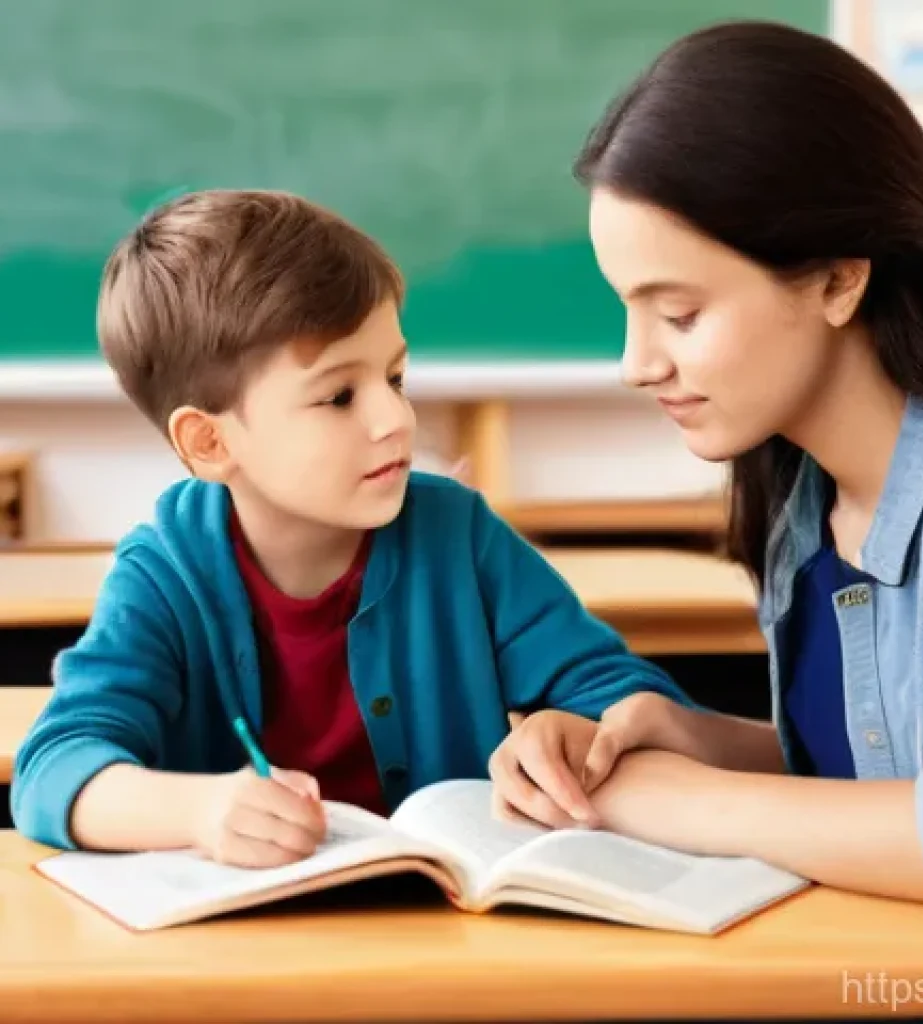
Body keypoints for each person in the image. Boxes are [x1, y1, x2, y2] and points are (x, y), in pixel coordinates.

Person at [489, 21, 923, 923]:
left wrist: (683, 800)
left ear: (836, 282)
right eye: (630, 312)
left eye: (681, 314)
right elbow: (884, 764)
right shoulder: (802, 504)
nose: (637, 364)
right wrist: (692, 738)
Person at [11, 189, 690, 867]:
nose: (395, 418)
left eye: (394, 377)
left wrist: (573, 728)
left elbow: (635, 703)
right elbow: (54, 769)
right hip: (243, 952)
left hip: (456, 934)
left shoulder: (460, 537)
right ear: (211, 443)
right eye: (339, 396)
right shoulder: (166, 573)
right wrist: (200, 811)